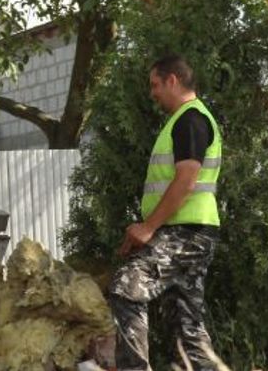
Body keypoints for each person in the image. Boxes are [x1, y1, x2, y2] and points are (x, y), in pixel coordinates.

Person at [108, 54, 226, 371]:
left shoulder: (190, 119)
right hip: (190, 232)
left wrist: (148, 227)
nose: (152, 93)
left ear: (173, 80)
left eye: (155, 84)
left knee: (125, 287)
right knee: (187, 329)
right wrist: (151, 229)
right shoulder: (188, 120)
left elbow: (186, 178)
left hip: (186, 232)